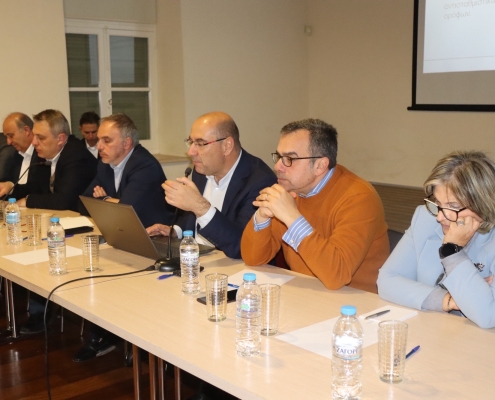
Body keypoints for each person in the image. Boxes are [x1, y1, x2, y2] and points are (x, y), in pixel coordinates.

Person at [241, 118, 389, 293]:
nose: (277, 166)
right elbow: (254, 259)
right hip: (306, 294)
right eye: (279, 157)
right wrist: (262, 217)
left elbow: (337, 275)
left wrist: (291, 217)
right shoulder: (291, 189)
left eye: (289, 158)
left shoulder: (359, 198)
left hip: (355, 301)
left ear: (320, 165)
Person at [377, 150, 495, 329]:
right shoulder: (425, 218)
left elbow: (488, 315)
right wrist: (447, 300)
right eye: (438, 204)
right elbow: (387, 281)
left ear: (483, 204)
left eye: (453, 206)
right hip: (432, 330)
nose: (440, 217)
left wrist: (452, 252)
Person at [146, 111, 276, 259]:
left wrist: (199, 206)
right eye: (190, 142)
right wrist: (176, 231)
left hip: (235, 266)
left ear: (227, 146)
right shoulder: (201, 171)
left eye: (200, 143)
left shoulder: (260, 181)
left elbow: (242, 246)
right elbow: (192, 218)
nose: (191, 152)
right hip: (198, 259)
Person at [80, 113, 174, 228]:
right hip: (122, 229)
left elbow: (126, 212)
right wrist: (113, 201)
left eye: (106, 140)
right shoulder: (105, 164)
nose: (99, 146)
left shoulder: (144, 166)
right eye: (99, 140)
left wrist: (103, 198)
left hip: (153, 234)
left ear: (126, 143)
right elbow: (84, 204)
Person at [16, 109, 97, 211]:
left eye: (41, 138)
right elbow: (36, 187)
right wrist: (11, 188)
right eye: (34, 136)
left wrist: (28, 201)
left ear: (60, 139)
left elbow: (65, 200)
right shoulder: (44, 154)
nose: (34, 142)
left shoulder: (76, 156)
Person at [0, 112, 50, 199]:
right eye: (6, 137)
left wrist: (11, 188)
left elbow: (37, 189)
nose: (8, 142)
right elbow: (6, 182)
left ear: (27, 130)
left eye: (11, 136)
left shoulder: (42, 155)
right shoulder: (14, 155)